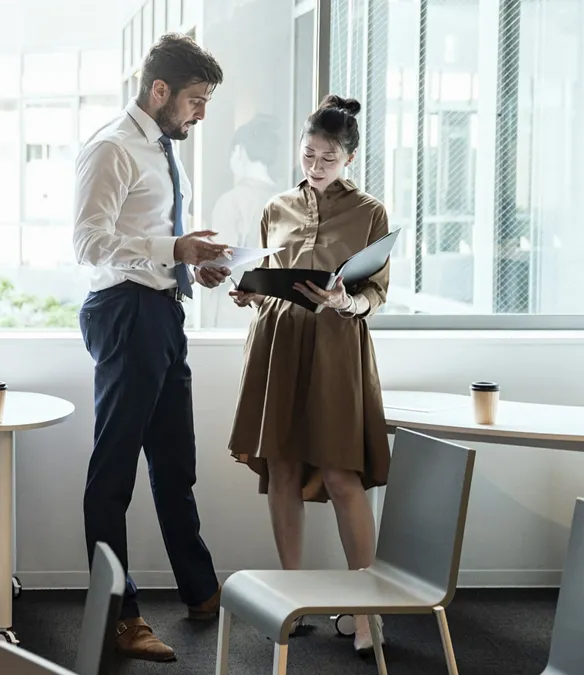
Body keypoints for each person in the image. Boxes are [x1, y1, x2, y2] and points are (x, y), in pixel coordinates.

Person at [71, 33, 231, 663]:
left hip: (163, 309)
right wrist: (174, 251)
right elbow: (89, 243)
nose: (201, 112)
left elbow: (153, 236)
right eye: (195, 99)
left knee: (175, 465)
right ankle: (119, 615)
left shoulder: (163, 149)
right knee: (113, 475)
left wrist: (194, 264)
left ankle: (199, 590)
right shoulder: (112, 147)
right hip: (125, 312)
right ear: (158, 90)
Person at [227, 94, 392, 657]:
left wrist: (347, 302)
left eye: (326, 157)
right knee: (282, 473)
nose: (315, 166)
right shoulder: (275, 207)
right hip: (277, 344)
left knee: (343, 477)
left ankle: (367, 613)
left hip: (336, 348)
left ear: (347, 157)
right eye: (308, 155)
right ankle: (291, 599)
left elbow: (375, 294)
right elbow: (271, 278)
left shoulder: (370, 212)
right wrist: (249, 293)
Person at [201, 114, 283, 329]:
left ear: (238, 152)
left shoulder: (232, 201)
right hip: (274, 312)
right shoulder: (285, 200)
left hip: (234, 314)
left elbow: (218, 266)